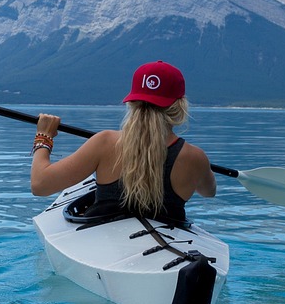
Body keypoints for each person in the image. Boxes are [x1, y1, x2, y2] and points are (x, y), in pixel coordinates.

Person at [29, 61, 216, 222]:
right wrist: (201, 168)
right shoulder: (195, 158)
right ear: (180, 107)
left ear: (131, 102)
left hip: (103, 238)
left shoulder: (105, 143)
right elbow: (209, 192)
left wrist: (43, 137)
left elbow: (40, 185)